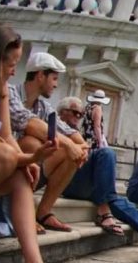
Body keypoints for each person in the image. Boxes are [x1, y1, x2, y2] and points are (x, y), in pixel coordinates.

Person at [0, 23, 78, 263]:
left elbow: (5, 136)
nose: (15, 70)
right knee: (8, 159)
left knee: (19, 176)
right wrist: (24, 158)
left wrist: (31, 160)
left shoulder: (0, 89)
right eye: (11, 63)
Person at [57, 96, 138, 248]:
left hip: (85, 180)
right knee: (106, 153)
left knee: (122, 204)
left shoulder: (77, 133)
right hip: (66, 182)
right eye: (74, 113)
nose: (78, 117)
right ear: (62, 112)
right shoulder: (55, 127)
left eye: (80, 114)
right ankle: (103, 210)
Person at [9, 52, 88, 233]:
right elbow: (28, 122)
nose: (56, 84)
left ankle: (43, 212)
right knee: (31, 143)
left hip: (33, 168)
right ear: (40, 76)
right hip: (8, 166)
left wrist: (81, 146)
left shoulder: (44, 106)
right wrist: (69, 144)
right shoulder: (10, 92)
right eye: (53, 78)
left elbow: (68, 131)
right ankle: (24, 213)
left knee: (74, 153)